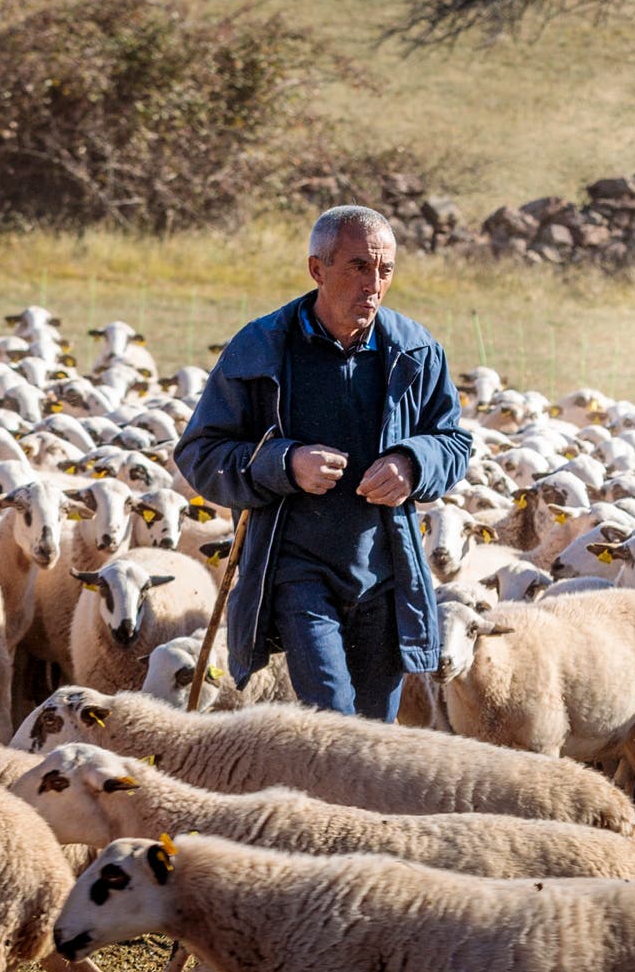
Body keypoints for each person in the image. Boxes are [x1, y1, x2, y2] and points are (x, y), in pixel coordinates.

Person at [175, 206, 473, 717]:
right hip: (298, 570)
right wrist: (285, 464)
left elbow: (452, 442)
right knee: (332, 721)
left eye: (385, 270)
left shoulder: (416, 352)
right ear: (318, 269)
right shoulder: (262, 347)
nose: (374, 284)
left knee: (376, 737)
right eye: (358, 267)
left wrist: (413, 462)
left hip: (386, 571)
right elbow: (201, 453)